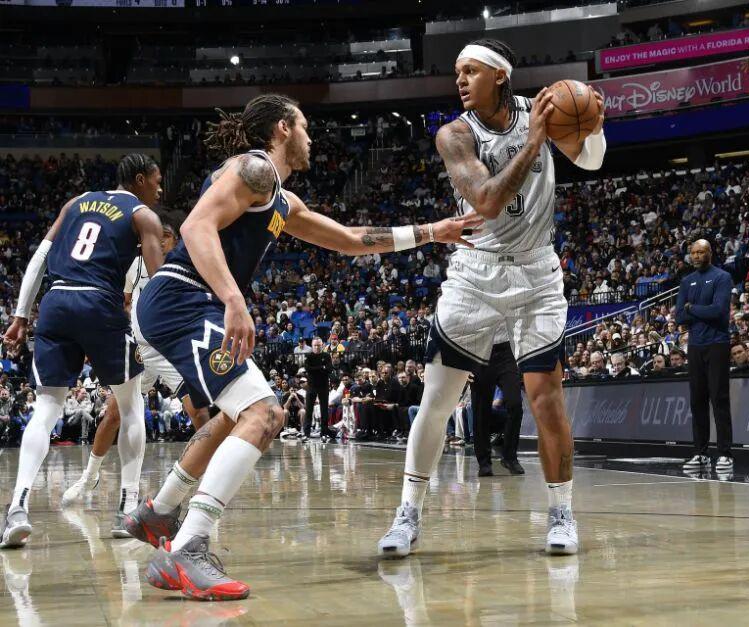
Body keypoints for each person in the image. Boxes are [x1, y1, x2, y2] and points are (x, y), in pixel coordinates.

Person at [125, 94, 478, 601]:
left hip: (182, 305)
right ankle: (187, 547)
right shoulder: (255, 168)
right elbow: (195, 225)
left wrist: (430, 232)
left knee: (234, 415)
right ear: (284, 128)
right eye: (306, 127)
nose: (312, 139)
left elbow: (351, 240)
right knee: (266, 414)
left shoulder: (282, 200)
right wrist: (233, 298)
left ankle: (159, 512)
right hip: (182, 300)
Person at [378, 37, 607, 558]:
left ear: (500, 75)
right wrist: (535, 141)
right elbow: (485, 201)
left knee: (546, 398)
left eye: (471, 71)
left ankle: (561, 514)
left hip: (536, 272)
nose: (459, 80)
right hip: (475, 273)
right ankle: (407, 514)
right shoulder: (455, 134)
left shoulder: (544, 107)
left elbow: (591, 162)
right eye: (457, 72)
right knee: (437, 400)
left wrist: (592, 125)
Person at [0, 154, 165, 549]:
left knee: (46, 408)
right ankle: (127, 509)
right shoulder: (143, 216)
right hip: (99, 303)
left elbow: (40, 258)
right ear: (139, 179)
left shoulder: (76, 202)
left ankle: (17, 508)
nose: (160, 189)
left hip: (56, 302)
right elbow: (159, 280)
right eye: (156, 181)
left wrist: (21, 314)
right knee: (131, 405)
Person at [61, 223, 211, 524]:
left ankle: (205, 486)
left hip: (170, 349)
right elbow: (125, 301)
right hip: (139, 347)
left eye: (166, 237)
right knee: (113, 416)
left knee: (199, 413)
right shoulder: (135, 264)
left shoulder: (186, 265)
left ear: (175, 241)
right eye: (157, 237)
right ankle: (89, 476)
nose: (160, 242)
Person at [675, 239, 734, 473]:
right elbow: (679, 317)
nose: (697, 256)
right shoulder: (686, 281)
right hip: (695, 345)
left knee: (719, 399)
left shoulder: (722, 277)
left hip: (717, 343)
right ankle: (701, 454)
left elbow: (718, 311)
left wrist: (691, 308)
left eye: (701, 252)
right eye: (693, 253)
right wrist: (695, 311)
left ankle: (725, 454)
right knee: (697, 400)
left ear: (710, 253)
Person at [471, 339, 524, 477]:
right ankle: (484, 463)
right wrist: (465, 365)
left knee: (515, 404)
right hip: (479, 351)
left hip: (506, 351)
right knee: (480, 411)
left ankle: (510, 457)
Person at [303, 337, 332, 440]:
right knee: (308, 410)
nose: (317, 347)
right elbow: (308, 369)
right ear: (312, 346)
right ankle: (306, 434)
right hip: (311, 387)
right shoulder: (308, 356)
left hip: (323, 386)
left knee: (324, 410)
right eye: (315, 345)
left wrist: (316, 369)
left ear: (322, 345)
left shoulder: (326, 355)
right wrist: (321, 367)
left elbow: (329, 369)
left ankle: (324, 433)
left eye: (318, 345)